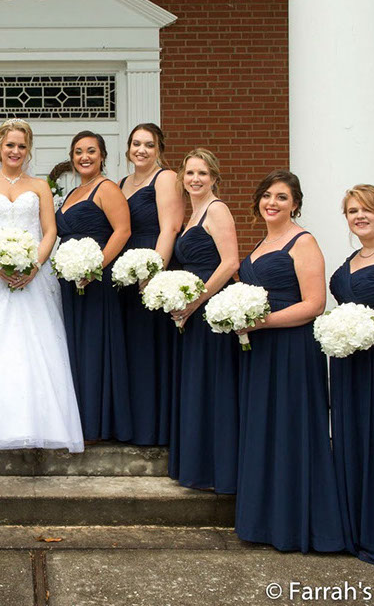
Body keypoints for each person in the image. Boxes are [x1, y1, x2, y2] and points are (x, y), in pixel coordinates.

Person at [0, 118, 84, 452]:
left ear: (29, 149)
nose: (15, 151)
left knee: (35, 346)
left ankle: (39, 424)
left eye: (22, 146)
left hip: (33, 275)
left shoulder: (39, 186)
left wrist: (35, 264)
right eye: (10, 145)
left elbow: (50, 231)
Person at [235, 170, 344, 552]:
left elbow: (314, 304)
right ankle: (264, 523)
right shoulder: (261, 244)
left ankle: (297, 527)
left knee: (291, 430)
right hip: (261, 351)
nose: (272, 203)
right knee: (265, 430)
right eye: (267, 195)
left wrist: (262, 322)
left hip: (293, 350)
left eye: (281, 197)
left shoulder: (303, 241)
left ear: (295, 204)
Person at [168, 149, 240, 493]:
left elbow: (230, 263)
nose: (195, 179)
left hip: (211, 312)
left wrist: (196, 301)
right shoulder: (192, 214)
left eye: (202, 173)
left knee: (213, 385)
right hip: (192, 314)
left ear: (214, 178)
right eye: (190, 173)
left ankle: (217, 471)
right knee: (198, 385)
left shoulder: (217, 209)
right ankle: (198, 466)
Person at [55, 130, 132, 441]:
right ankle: (76, 419)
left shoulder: (107, 188)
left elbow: (122, 231)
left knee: (93, 347)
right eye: (78, 152)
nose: (84, 157)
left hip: (95, 281)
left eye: (90, 151)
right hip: (69, 281)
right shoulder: (73, 192)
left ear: (102, 156)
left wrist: (95, 267)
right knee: (74, 347)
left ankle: (97, 423)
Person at [118, 123, 183, 445]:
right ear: (128, 148)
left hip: (154, 268)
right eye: (136, 144)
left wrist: (153, 273)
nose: (141, 150)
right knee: (133, 349)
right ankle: (135, 424)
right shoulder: (122, 183)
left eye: (148, 145)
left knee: (152, 347)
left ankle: (156, 428)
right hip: (127, 272)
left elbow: (170, 228)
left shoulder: (166, 178)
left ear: (159, 150)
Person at [329, 184, 374, 564]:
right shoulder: (352, 259)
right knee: (353, 440)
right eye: (352, 211)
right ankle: (355, 531)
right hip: (349, 365)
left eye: (367, 209)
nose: (359, 216)